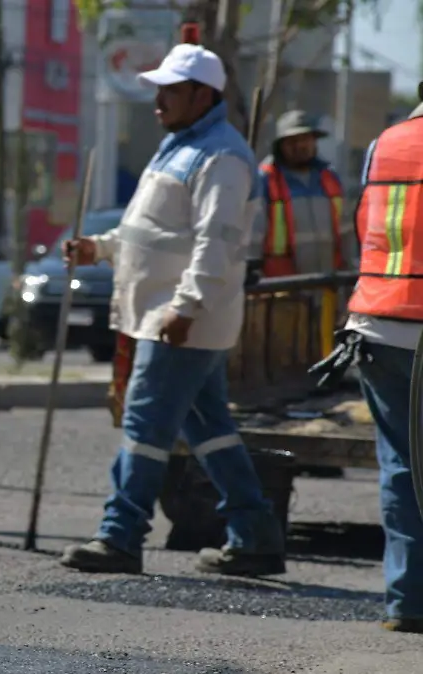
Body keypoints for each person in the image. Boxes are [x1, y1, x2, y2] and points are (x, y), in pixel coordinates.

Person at [57, 43, 286, 577]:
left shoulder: (222, 157)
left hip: (179, 320)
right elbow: (152, 230)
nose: (157, 100)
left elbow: (217, 243)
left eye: (170, 90)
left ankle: (121, 535)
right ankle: (254, 535)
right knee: (209, 427)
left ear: (202, 95)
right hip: (170, 316)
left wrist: (185, 307)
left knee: (145, 424)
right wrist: (101, 247)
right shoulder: (178, 147)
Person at [308, 82, 423, 634]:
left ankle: (407, 602)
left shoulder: (385, 144)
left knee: (401, 467)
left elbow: (365, 227)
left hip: (378, 322)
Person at [254, 109, 355, 278]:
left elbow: (346, 233)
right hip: (281, 287)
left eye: (306, 139)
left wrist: (351, 271)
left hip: (328, 284)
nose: (301, 146)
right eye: (293, 141)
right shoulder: (266, 181)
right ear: (280, 146)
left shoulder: (330, 179)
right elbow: (253, 238)